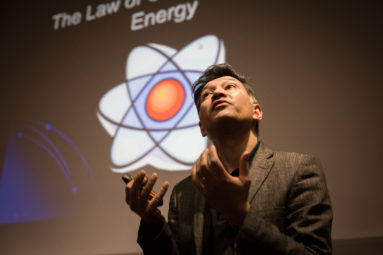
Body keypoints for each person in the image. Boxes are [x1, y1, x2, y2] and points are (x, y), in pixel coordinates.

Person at [125, 64, 333, 254]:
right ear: (202, 128)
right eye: (208, 94)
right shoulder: (184, 193)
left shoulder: (298, 169)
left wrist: (240, 216)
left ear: (256, 112)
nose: (218, 93)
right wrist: (153, 222)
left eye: (230, 86)